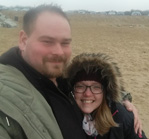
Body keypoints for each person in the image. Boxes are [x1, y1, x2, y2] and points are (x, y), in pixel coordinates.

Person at [0, 4, 141, 139]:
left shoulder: (61, 77)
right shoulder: (7, 92)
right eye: (47, 41)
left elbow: (93, 85)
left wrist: (121, 99)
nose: (59, 52)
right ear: (24, 40)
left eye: (65, 43)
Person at [66, 53, 147, 139]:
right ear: (73, 90)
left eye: (96, 87)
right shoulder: (64, 116)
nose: (87, 93)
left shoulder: (122, 117)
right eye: (80, 86)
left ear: (105, 92)